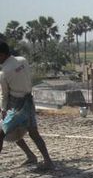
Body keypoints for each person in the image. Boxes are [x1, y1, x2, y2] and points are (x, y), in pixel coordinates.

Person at [0, 41, 54, 170]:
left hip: (16, 105)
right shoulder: (23, 61)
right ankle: (43, 159)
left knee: (2, 133)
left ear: (1, 55)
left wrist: (3, 109)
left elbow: (4, 94)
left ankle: (36, 157)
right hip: (29, 100)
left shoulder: (4, 73)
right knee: (29, 132)